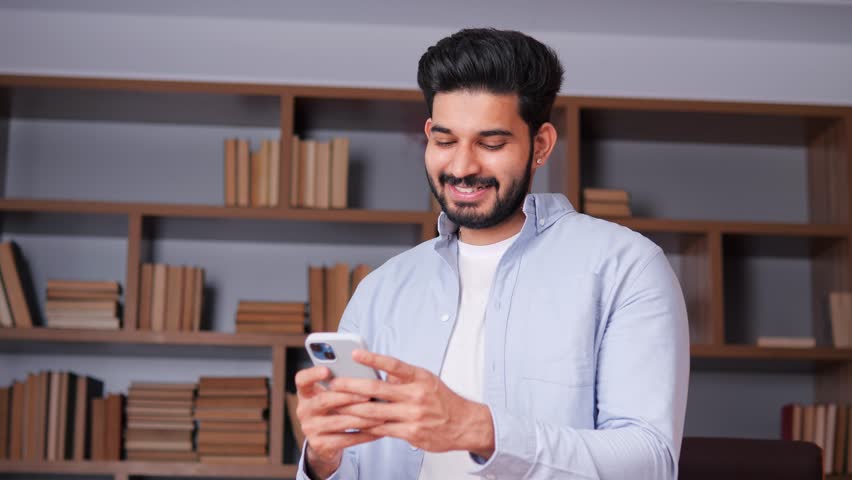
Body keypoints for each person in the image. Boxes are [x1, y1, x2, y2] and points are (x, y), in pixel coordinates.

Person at [295, 28, 689, 480]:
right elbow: (354, 465)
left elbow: (650, 462)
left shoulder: (627, 268)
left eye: (491, 143)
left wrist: (480, 430)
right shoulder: (381, 289)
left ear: (540, 145)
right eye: (445, 141)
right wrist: (322, 459)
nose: (462, 167)